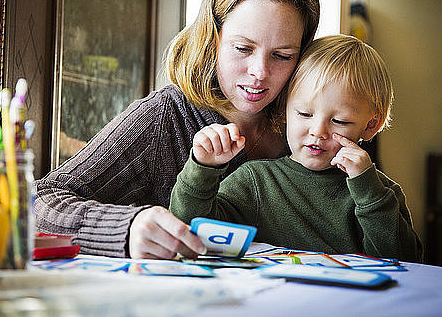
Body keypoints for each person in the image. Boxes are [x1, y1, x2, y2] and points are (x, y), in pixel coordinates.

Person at [35, 0, 320, 259]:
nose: (259, 73)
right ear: (212, 39)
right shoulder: (163, 118)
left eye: (282, 56)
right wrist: (126, 228)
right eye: (242, 48)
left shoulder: (318, 124)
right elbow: (37, 201)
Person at [169, 35, 423, 262]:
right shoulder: (256, 181)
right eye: (304, 113)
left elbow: (406, 264)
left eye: (340, 121)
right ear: (284, 110)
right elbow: (191, 233)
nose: (318, 131)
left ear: (370, 126)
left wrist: (369, 192)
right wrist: (202, 168)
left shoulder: (381, 192)